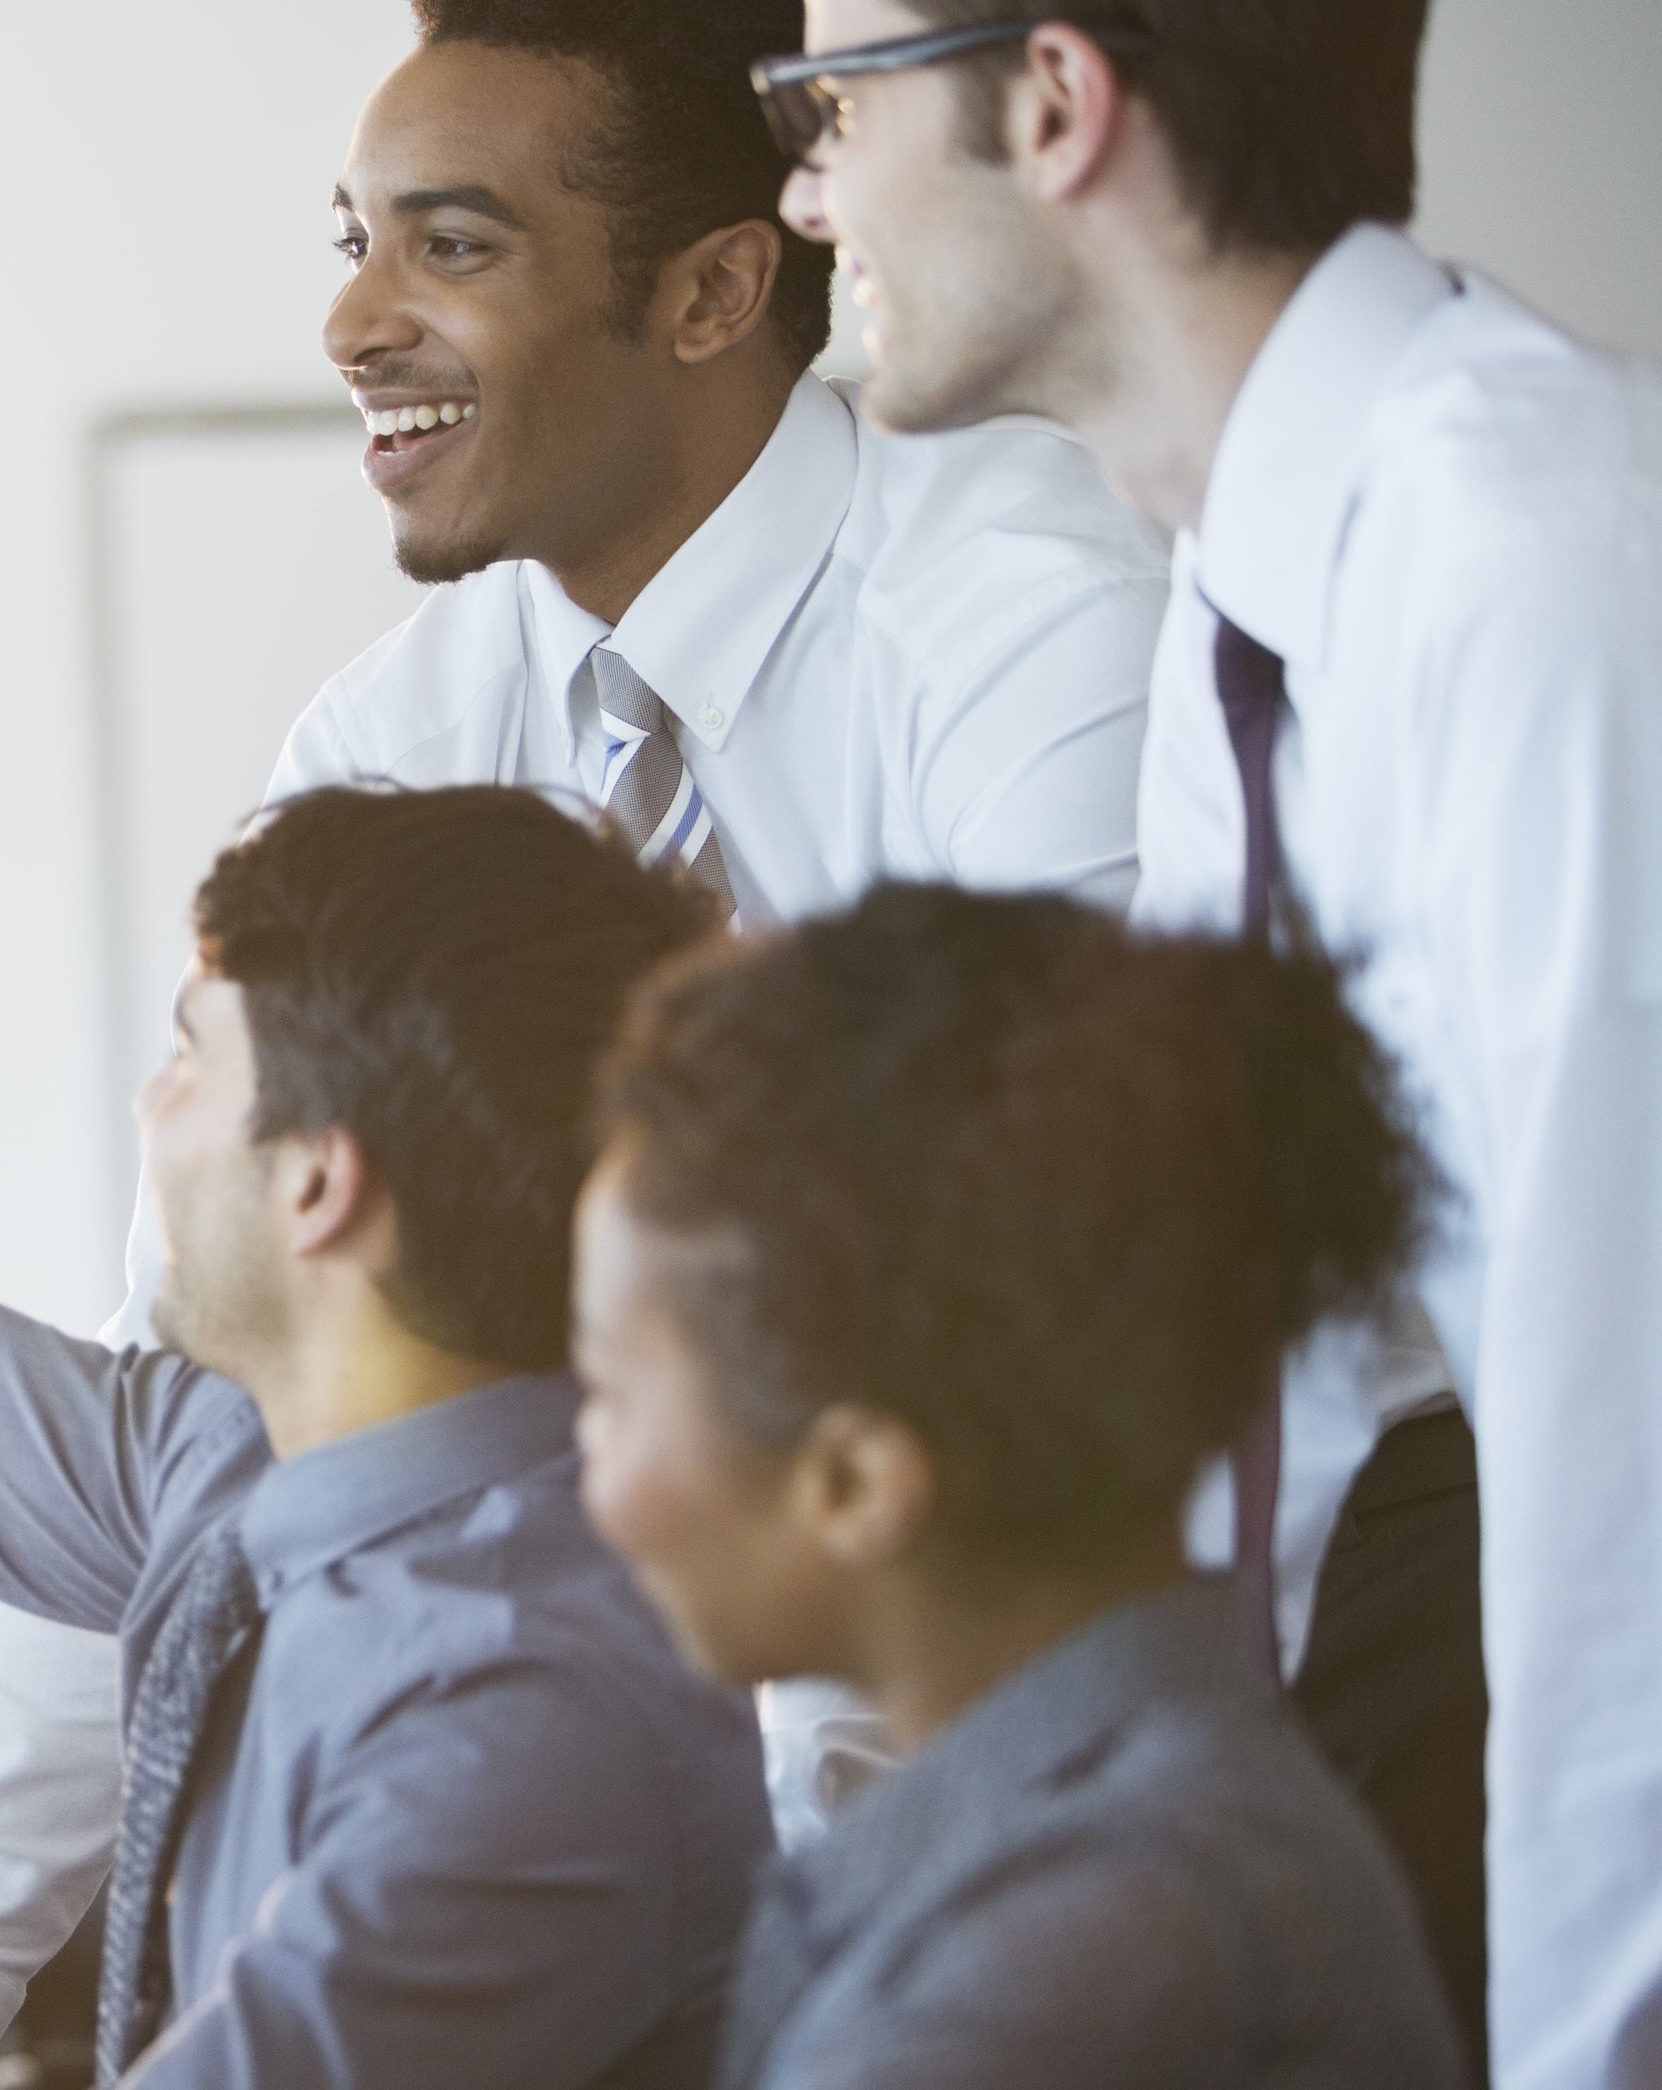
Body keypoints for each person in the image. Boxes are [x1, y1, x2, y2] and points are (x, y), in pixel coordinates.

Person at [0, 3, 1166, 2078]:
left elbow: (1029, 1399)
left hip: (1105, 1784)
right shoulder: (392, 738)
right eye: (349, 239)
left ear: (717, 284)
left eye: (450, 247)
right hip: (642, 1837)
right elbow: (212, 1381)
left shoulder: (1025, 639)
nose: (355, 320)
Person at [0, 481, 770, 2083]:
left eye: (187, 1060)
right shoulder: (233, 1466)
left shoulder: (525, 1721)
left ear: (318, 1179)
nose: (150, 1112)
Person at [765, 2, 1662, 2077]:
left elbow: (1628, 1546)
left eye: (832, 105)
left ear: (1059, 102)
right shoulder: (1244, 602)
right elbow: (1247, 1360)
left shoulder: (1541, 577)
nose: (808, 184)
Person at [571, 884, 1463, 2088]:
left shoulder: (1089, 1958)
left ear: (854, 1481)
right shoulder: (1072, 1833)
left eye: (610, 1397)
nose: (590, 1479)